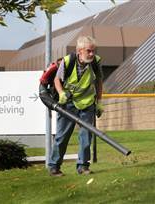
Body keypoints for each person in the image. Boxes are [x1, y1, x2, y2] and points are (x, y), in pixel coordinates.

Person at [48, 36, 103, 176]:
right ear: (79, 51)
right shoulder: (67, 61)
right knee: (62, 136)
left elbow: (99, 82)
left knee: (86, 136)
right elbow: (57, 80)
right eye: (88, 51)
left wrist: (99, 102)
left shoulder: (95, 62)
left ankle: (83, 166)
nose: (92, 54)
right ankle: (54, 166)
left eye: (93, 51)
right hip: (68, 103)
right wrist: (61, 93)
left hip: (87, 103)